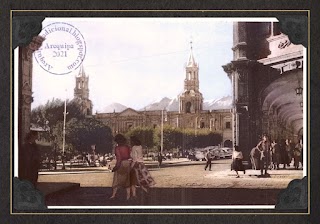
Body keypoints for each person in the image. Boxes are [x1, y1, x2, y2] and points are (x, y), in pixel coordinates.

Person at [109, 134, 132, 200]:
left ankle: (113, 195)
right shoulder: (127, 147)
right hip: (128, 163)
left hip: (121, 163)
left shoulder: (117, 148)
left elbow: (119, 158)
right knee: (127, 180)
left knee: (116, 179)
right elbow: (129, 155)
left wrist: (115, 167)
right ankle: (128, 196)